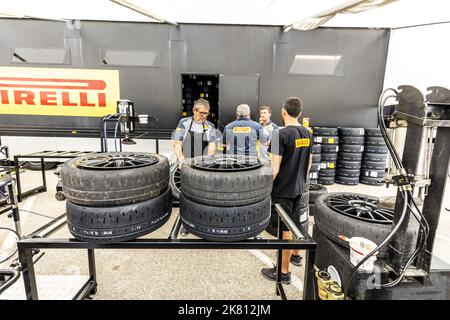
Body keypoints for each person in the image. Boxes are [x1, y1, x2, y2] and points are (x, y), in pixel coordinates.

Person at [261, 97, 313, 284]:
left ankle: (283, 273)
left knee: (285, 231)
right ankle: (296, 256)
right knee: (295, 223)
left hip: (282, 190)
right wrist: (299, 179)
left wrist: (264, 189)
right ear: (299, 113)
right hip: (299, 187)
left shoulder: (279, 134)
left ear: (283, 111)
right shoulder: (307, 133)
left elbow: (275, 168)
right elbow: (309, 163)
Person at [172, 99, 217, 235]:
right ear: (194, 111)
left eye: (206, 113)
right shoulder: (184, 123)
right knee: (187, 196)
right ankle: (186, 224)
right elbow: (177, 143)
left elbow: (212, 144)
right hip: (187, 165)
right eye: (201, 112)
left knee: (205, 196)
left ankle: (204, 222)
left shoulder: (210, 126)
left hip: (203, 166)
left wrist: (209, 157)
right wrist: (181, 160)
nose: (203, 115)